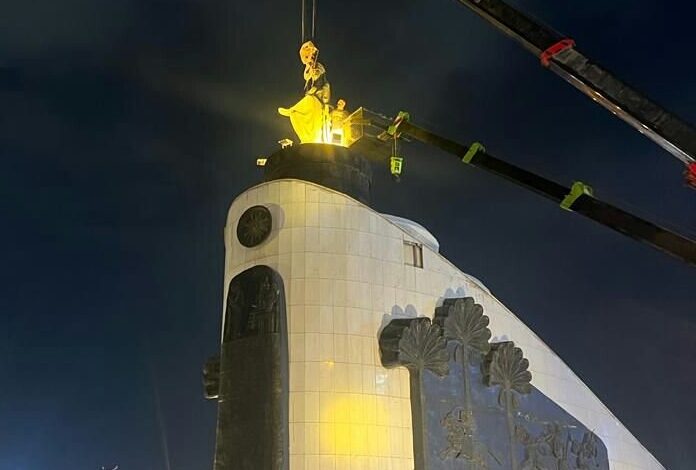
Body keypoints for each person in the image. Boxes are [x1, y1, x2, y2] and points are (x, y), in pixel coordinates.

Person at [278, 41, 331, 143]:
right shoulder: (308, 68)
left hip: (318, 96)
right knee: (299, 114)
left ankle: (291, 110)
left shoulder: (318, 66)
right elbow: (308, 79)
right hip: (313, 95)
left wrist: (315, 77)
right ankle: (293, 112)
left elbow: (320, 82)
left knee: (308, 100)